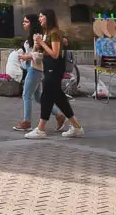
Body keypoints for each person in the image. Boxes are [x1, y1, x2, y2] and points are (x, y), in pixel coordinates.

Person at [25, 9, 84, 139]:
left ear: (48, 17)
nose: (39, 19)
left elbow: (55, 54)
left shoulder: (55, 33)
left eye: (41, 17)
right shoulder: (46, 33)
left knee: (46, 95)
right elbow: (41, 51)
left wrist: (41, 43)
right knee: (58, 97)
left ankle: (41, 129)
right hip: (48, 67)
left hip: (55, 68)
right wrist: (37, 44)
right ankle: (76, 127)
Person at [14, 14, 63, 133]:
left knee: (26, 94)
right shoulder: (34, 36)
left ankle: (27, 122)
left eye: (26, 22)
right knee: (38, 97)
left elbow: (39, 55)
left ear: (32, 23)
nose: (23, 23)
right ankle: (58, 115)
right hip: (34, 67)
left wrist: (26, 57)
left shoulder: (38, 36)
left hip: (35, 68)